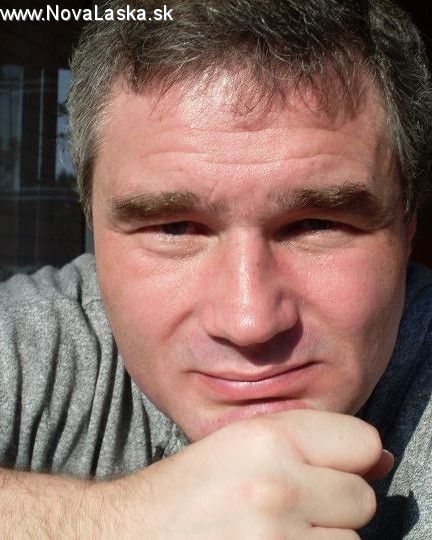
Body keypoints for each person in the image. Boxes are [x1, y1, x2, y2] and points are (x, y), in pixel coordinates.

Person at [1, 0, 432, 537]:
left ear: (407, 226)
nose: (249, 323)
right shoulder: (36, 342)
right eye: (175, 228)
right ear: (94, 226)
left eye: (316, 224)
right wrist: (120, 521)